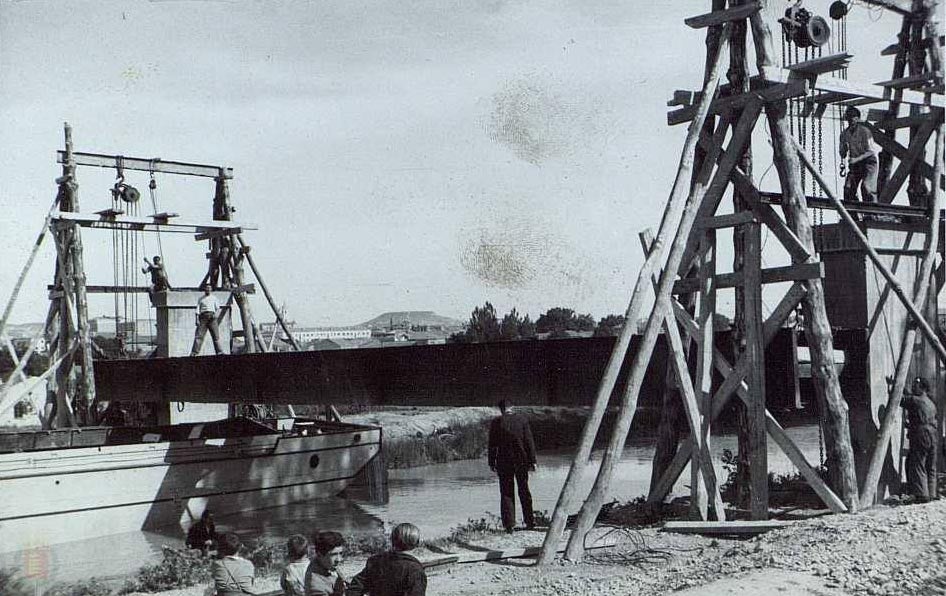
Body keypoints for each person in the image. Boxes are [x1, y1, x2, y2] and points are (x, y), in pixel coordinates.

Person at [487, 399, 537, 533]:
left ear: (501, 409)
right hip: (521, 461)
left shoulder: (496, 423)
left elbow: (492, 445)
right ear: (512, 407)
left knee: (506, 493)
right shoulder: (522, 420)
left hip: (503, 462)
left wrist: (491, 462)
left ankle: (509, 525)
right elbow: (529, 442)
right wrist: (533, 461)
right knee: (524, 491)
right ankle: (530, 522)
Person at [346, 523, 426, 596]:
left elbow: (354, 588)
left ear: (393, 540)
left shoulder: (375, 561)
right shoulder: (414, 570)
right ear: (416, 543)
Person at [901, 377, 937, 503]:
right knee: (930, 464)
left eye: (915, 385)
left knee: (918, 463)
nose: (913, 387)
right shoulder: (930, 402)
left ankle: (922, 495)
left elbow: (901, 400)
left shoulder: (915, 400)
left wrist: (895, 385)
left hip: (921, 434)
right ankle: (931, 492)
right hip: (932, 433)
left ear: (922, 387)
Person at [839, 106, 878, 203]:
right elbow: (843, 154)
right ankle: (852, 215)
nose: (850, 119)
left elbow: (871, 152)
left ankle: (872, 214)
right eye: (848, 117)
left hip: (869, 162)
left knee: (866, 187)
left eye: (853, 117)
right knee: (848, 189)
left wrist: (856, 159)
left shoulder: (864, 131)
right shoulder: (845, 134)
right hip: (856, 164)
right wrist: (843, 149)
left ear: (857, 118)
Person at [305, 531, 346, 596]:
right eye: (333, 555)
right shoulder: (316, 586)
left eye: (340, 553)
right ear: (319, 554)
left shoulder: (325, 564)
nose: (339, 559)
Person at [190, 284, 224, 356]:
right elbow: (197, 310)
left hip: (212, 317)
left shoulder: (214, 298)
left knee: (216, 336)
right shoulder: (201, 299)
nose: (208, 290)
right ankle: (194, 353)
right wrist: (197, 320)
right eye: (206, 288)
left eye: (209, 288)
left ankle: (219, 352)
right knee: (199, 336)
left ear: (211, 290)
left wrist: (215, 316)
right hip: (203, 318)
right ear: (205, 290)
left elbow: (217, 308)